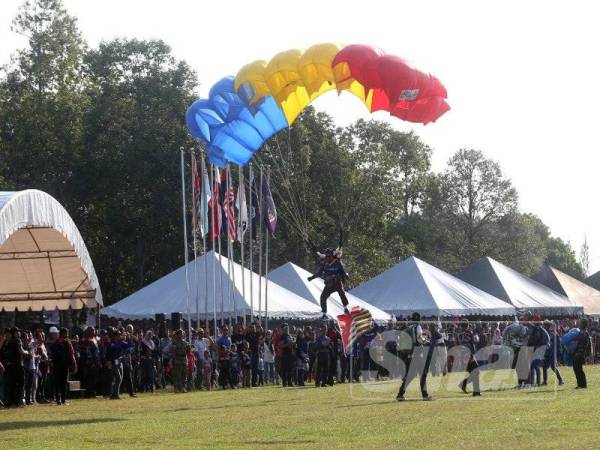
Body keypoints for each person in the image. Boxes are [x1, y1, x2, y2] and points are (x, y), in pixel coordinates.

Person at [396, 313, 432, 401]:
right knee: (422, 375)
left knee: (410, 376)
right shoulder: (418, 327)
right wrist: (426, 341)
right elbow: (419, 338)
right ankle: (425, 395)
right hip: (417, 354)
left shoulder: (409, 327)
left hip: (409, 354)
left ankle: (400, 394)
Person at [308, 248, 350, 319]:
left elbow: (342, 271)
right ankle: (324, 313)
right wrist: (312, 277)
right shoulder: (324, 264)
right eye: (326, 256)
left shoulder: (337, 262)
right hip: (329, 284)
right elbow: (319, 273)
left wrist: (345, 275)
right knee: (323, 297)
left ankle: (346, 308)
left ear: (332, 256)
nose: (327, 258)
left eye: (329, 256)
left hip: (337, 282)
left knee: (341, 293)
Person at [0, 327, 28, 407]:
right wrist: (27, 352)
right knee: (21, 383)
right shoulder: (17, 340)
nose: (18, 333)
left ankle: (10, 402)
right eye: (17, 332)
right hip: (17, 365)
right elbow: (21, 351)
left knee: (11, 385)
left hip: (8, 366)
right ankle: (17, 402)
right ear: (13, 333)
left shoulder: (5, 342)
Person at [48, 328, 76, 405]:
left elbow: (51, 354)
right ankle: (63, 400)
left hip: (56, 365)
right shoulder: (67, 342)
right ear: (64, 333)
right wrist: (74, 364)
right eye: (66, 333)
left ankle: (58, 400)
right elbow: (71, 353)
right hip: (64, 365)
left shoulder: (55, 343)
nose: (67, 335)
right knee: (63, 383)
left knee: (57, 383)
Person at [562, 319, 592, 389]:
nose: (579, 324)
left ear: (583, 324)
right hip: (576, 352)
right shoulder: (580, 332)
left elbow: (586, 344)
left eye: (581, 323)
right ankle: (580, 384)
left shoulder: (585, 333)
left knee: (578, 369)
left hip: (580, 353)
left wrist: (585, 353)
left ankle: (583, 385)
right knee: (576, 369)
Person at [457, 320, 481, 397]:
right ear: (467, 325)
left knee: (475, 372)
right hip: (468, 355)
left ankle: (464, 385)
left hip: (465, 355)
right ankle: (475, 391)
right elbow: (470, 342)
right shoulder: (468, 332)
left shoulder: (462, 333)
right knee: (476, 372)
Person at [542, 320, 563, 386]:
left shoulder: (553, 334)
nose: (543, 326)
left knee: (553, 367)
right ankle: (545, 381)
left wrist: (557, 353)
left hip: (552, 353)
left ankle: (560, 380)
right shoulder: (544, 333)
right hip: (546, 353)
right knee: (544, 367)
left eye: (544, 325)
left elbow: (558, 344)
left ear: (547, 326)